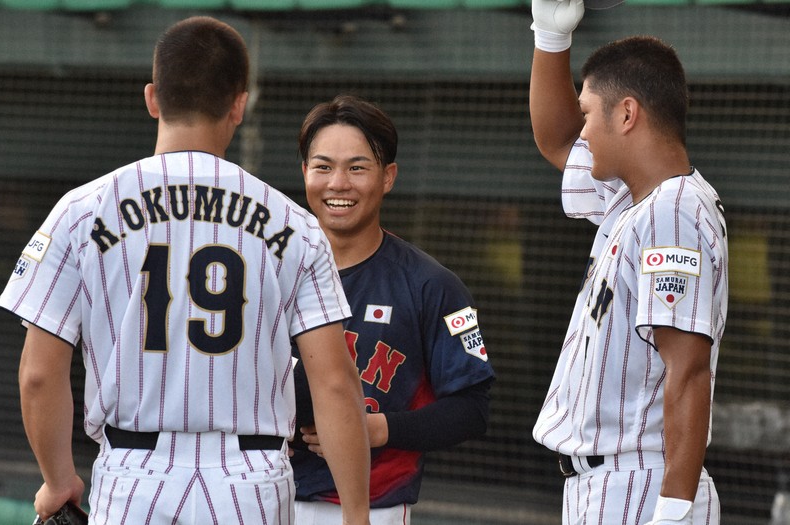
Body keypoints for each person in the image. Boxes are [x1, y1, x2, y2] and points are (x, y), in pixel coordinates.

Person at [0, 17, 371, 525]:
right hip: (252, 481)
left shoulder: (82, 211)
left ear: (153, 98)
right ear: (240, 103)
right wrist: (356, 517)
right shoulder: (297, 226)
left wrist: (58, 480)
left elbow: (39, 375)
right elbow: (334, 385)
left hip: (134, 478)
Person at [528, 2, 728, 524]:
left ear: (627, 113)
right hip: (610, 484)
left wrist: (675, 507)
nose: (582, 131)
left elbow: (688, 369)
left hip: (639, 484)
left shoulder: (672, 210)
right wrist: (550, 34)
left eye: (589, 112)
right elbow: (555, 140)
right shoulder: (633, 199)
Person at [289, 94, 496, 524]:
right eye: (323, 167)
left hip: (373, 506)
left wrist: (375, 429)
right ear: (305, 172)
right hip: (260, 495)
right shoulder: (269, 273)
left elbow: (471, 410)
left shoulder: (431, 285)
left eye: (357, 167)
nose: (338, 183)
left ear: (388, 177)